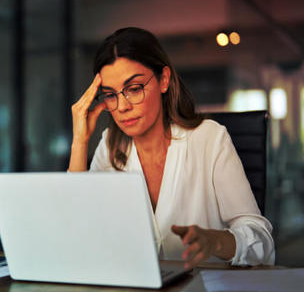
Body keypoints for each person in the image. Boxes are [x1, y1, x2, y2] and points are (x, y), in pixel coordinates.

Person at [68, 27, 275, 269]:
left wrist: (215, 241)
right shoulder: (109, 146)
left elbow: (262, 242)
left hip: (201, 290)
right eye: (111, 95)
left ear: (163, 80)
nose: (122, 106)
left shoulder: (210, 138)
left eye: (134, 89)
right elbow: (77, 236)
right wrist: (80, 142)